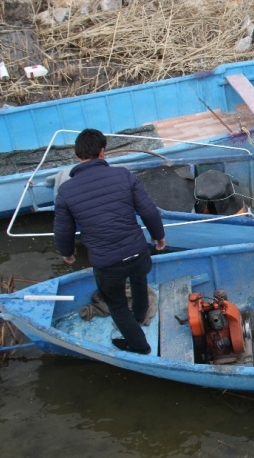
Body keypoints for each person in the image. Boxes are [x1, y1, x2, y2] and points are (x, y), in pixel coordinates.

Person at [54, 129, 166, 354]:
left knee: (116, 304)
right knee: (139, 280)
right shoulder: (124, 175)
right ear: (103, 152)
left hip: (107, 263)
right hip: (137, 251)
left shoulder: (66, 191)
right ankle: (140, 314)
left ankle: (139, 346)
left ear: (77, 156)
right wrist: (158, 236)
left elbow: (63, 229)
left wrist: (67, 252)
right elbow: (149, 211)